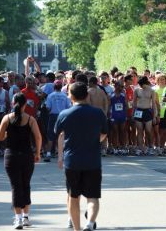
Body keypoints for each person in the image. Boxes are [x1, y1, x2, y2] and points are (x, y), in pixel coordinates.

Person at [56, 82, 108, 231]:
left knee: (73, 196)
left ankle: (77, 228)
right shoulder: (98, 113)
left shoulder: (64, 114)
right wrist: (93, 140)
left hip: (72, 161)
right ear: (87, 95)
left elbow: (58, 134)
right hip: (92, 160)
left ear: (70, 96)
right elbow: (104, 133)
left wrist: (60, 156)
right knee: (93, 197)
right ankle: (90, 223)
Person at [0, 93, 42, 229]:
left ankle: (18, 219)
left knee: (16, 186)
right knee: (26, 184)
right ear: (25, 105)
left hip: (11, 156)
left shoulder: (7, 118)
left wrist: (7, 134)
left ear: (12, 103)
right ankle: (26, 217)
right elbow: (38, 137)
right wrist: (38, 153)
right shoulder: (30, 119)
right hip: (27, 155)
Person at [45, 80, 72, 161]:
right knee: (61, 135)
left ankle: (48, 154)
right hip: (63, 116)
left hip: (53, 116)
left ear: (54, 87)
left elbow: (48, 107)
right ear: (61, 87)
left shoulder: (50, 96)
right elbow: (68, 107)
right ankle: (62, 154)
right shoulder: (65, 96)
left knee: (50, 135)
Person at [132, 76, 156, 155]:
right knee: (139, 131)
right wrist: (133, 113)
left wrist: (154, 116)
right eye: (139, 85)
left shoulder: (152, 91)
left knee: (148, 130)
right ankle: (140, 148)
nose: (141, 86)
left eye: (141, 85)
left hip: (147, 111)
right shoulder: (137, 90)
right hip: (139, 111)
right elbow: (134, 103)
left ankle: (150, 147)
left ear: (145, 83)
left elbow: (154, 104)